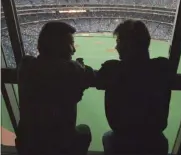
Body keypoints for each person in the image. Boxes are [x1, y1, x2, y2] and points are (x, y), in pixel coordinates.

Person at [16, 22, 94, 155]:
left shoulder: (26, 65)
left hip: (26, 145)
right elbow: (85, 75)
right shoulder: (71, 70)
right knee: (84, 131)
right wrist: (79, 66)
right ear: (57, 46)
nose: (74, 50)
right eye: (71, 44)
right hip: (59, 147)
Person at [96, 20, 172, 155]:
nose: (116, 47)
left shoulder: (112, 68)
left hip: (122, 141)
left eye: (119, 41)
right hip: (156, 141)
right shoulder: (163, 66)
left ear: (128, 44)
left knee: (108, 137)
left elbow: (96, 80)